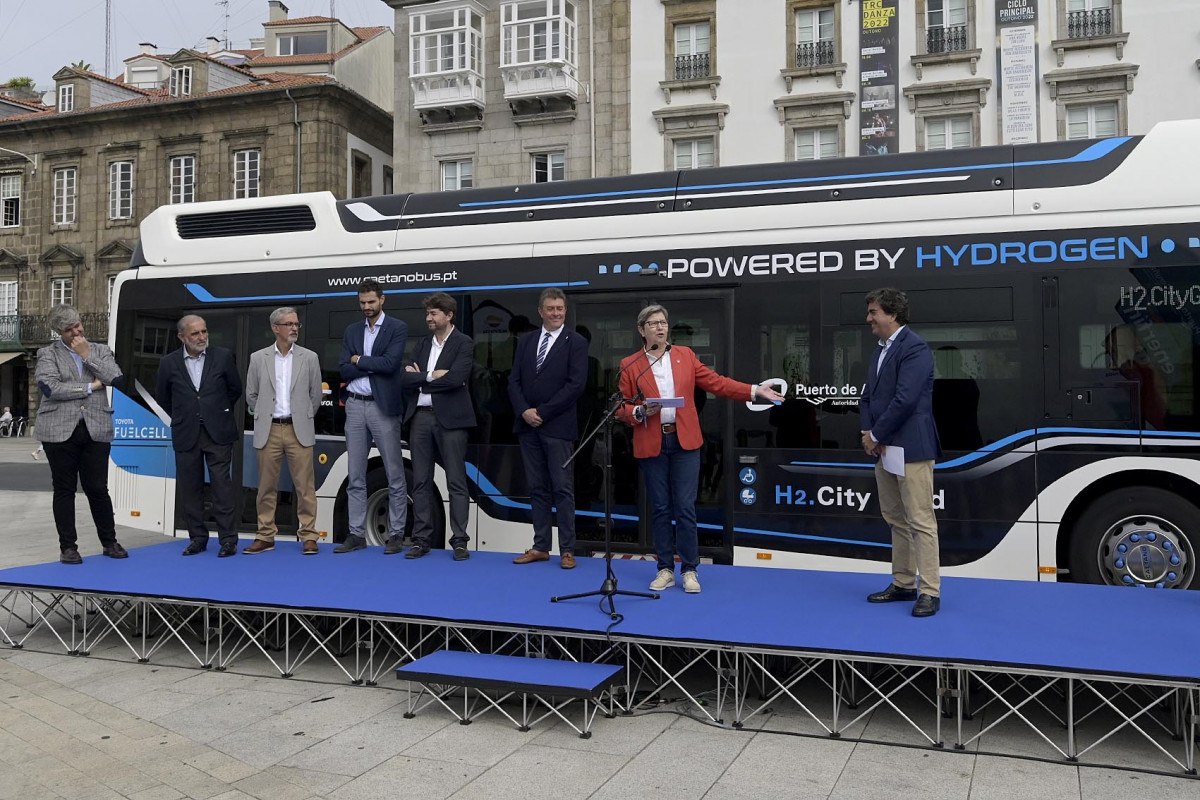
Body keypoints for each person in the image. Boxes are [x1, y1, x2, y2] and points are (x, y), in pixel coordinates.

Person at [617, 305, 784, 593]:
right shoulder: (631, 364)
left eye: (664, 322)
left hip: (684, 442)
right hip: (652, 440)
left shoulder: (685, 356)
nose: (660, 327)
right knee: (659, 508)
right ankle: (665, 568)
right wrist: (640, 411)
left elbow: (718, 384)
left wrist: (755, 390)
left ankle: (690, 570)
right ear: (641, 330)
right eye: (653, 323)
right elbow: (621, 408)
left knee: (684, 508)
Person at [860, 288, 943, 617]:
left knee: (920, 520)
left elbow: (905, 400)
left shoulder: (915, 348)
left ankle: (931, 591)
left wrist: (876, 434)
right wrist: (868, 433)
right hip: (885, 448)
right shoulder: (879, 350)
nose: (869, 319)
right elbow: (867, 397)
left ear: (892, 314)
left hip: (911, 447)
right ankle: (904, 583)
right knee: (895, 518)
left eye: (873, 312)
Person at [34, 304, 128, 564]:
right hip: (58, 430)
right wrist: (89, 386)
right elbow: (50, 388)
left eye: (77, 325)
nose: (77, 331)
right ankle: (68, 547)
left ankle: (109, 542)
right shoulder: (47, 354)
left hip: (95, 428)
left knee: (98, 488)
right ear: (59, 332)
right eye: (69, 329)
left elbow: (116, 378)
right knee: (63, 489)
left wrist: (87, 356)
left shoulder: (100, 350)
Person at [508, 288, 589, 569]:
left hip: (558, 427)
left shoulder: (575, 342)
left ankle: (567, 550)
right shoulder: (526, 341)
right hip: (528, 426)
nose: (556, 313)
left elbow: (576, 385)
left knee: (562, 489)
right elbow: (513, 381)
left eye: (560, 308)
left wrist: (542, 412)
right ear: (540, 311)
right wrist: (524, 411)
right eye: (551, 308)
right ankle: (541, 546)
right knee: (537, 488)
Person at [156, 315, 243, 558]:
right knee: (190, 488)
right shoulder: (168, 363)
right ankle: (197, 538)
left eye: (204, 331)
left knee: (221, 486)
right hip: (186, 432)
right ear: (182, 337)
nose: (202, 337)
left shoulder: (223, 356)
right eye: (195, 333)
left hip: (218, 431)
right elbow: (163, 397)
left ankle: (228, 540)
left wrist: (215, 411)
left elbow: (234, 389)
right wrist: (186, 415)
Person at [243, 307, 324, 556]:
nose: (294, 328)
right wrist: (266, 412)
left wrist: (302, 415)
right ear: (275, 328)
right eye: (289, 324)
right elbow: (251, 395)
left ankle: (309, 536)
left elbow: (316, 395)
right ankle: (265, 535)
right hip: (269, 429)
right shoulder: (258, 358)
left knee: (305, 487)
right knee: (266, 487)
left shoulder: (309, 358)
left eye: (296, 324)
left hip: (298, 429)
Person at [402, 292, 475, 560]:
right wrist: (431, 376)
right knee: (420, 481)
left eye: (433, 313)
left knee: (456, 481)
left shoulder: (463, 343)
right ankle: (421, 539)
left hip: (452, 420)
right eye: (428, 313)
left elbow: (457, 379)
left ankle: (459, 541)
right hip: (420, 417)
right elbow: (404, 378)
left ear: (449, 315)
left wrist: (419, 378)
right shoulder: (421, 344)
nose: (428, 318)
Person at [337, 278, 408, 553]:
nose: (366, 307)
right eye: (362, 302)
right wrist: (368, 365)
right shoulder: (352, 330)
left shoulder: (396, 328)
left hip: (382, 406)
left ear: (382, 299)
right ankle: (356, 534)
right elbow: (343, 368)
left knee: (394, 472)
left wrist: (359, 360)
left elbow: (391, 365)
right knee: (355, 473)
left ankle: (396, 533)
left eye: (371, 302)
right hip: (354, 405)